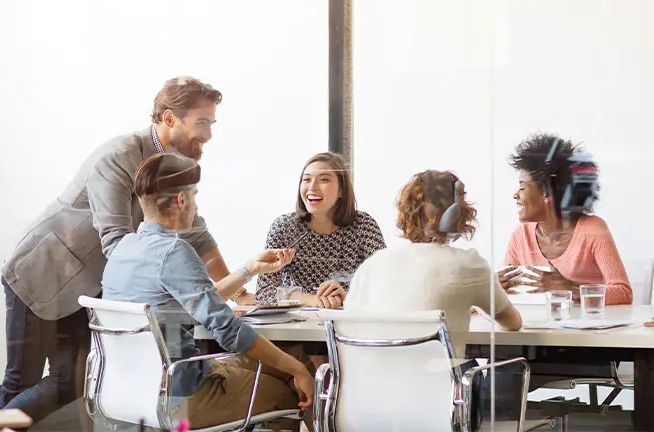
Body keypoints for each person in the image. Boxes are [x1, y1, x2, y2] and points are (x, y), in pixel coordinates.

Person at [0, 76, 234, 423]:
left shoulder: (174, 165)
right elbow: (116, 242)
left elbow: (197, 233)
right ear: (169, 118)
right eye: (201, 123)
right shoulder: (119, 156)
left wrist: (236, 290)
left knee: (74, 384)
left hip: (87, 287)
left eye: (211, 124)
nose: (208, 135)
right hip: (40, 276)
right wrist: (171, 278)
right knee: (23, 379)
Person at [102, 152, 315, 430]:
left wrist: (249, 269)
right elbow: (228, 329)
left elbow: (200, 302)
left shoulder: (124, 249)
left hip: (128, 392)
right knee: (291, 389)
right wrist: (298, 371)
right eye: (195, 196)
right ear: (182, 200)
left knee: (289, 360)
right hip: (183, 395)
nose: (195, 205)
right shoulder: (174, 251)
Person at [345, 170, 522, 428]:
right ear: (458, 215)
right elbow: (512, 323)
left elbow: (352, 326)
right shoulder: (469, 264)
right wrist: (476, 303)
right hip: (438, 406)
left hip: (368, 404)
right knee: (502, 371)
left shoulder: (373, 265)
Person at [498, 133, 632, 304]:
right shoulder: (520, 235)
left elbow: (623, 292)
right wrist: (496, 289)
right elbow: (511, 296)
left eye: (522, 188)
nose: (515, 195)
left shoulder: (593, 229)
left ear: (547, 192)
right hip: (539, 328)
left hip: (587, 328)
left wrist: (568, 288)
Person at [255, 152, 386, 307]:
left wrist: (348, 297)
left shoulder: (363, 226)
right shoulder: (284, 227)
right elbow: (263, 292)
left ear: (341, 190)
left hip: (349, 321)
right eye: (307, 179)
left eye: (324, 180)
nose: (312, 187)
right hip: (295, 324)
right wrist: (313, 299)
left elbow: (385, 285)